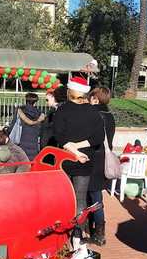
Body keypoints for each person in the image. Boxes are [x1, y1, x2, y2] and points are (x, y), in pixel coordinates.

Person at [53, 77, 104, 240]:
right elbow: (98, 137)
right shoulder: (93, 112)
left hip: (65, 158)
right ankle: (77, 234)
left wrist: (72, 148)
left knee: (64, 197)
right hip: (86, 159)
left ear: (70, 91)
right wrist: (80, 147)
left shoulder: (62, 110)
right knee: (81, 198)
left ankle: (62, 234)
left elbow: (58, 135)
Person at [85, 87, 115, 246]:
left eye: (91, 97)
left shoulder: (94, 115)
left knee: (91, 195)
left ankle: (94, 232)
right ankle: (98, 233)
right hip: (102, 158)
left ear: (96, 99)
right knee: (96, 195)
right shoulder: (110, 116)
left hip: (93, 157)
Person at [9, 93, 45, 161]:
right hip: (33, 145)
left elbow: (12, 127)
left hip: (20, 143)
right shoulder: (40, 115)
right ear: (35, 103)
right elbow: (41, 131)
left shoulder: (19, 112)